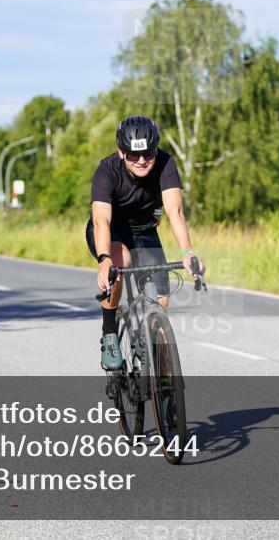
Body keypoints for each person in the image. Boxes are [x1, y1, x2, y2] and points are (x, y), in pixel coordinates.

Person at [87, 115, 205, 370]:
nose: (141, 161)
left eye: (148, 154)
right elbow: (101, 221)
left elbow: (175, 212)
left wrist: (187, 252)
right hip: (112, 231)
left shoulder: (165, 164)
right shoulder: (106, 170)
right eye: (132, 155)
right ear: (121, 152)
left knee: (161, 298)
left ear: (155, 149)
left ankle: (151, 352)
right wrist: (104, 260)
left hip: (143, 230)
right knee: (120, 262)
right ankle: (109, 331)